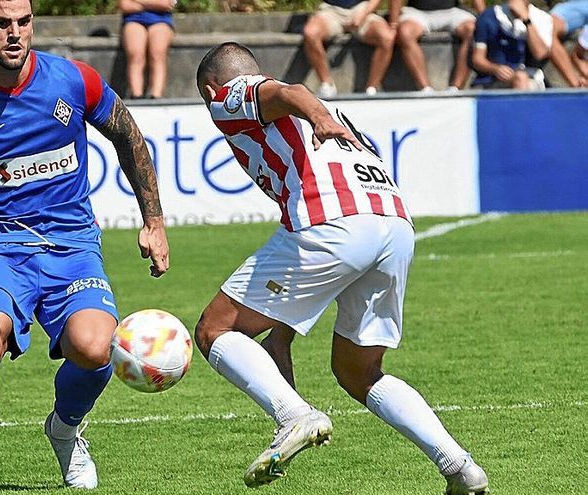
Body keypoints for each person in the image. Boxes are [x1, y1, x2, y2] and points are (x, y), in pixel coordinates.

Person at [194, 42, 488, 494]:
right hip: (391, 225)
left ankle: (295, 416)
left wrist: (317, 116)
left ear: (213, 88)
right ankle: (460, 468)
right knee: (359, 371)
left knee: (214, 330)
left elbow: (288, 90)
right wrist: (283, 332)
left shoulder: (229, 97)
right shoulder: (309, 120)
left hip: (331, 220)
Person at [0, 0, 170, 493]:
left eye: (23, 21)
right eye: (0, 23)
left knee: (96, 348)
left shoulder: (74, 80)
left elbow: (129, 136)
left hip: (73, 242)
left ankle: (64, 427)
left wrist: (154, 221)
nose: (14, 33)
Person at [301, 0, 397, 97]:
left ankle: (371, 89)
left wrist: (363, 15)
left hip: (362, 8)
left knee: (386, 38)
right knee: (310, 33)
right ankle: (327, 85)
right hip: (331, 10)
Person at [389, 0, 485, 91]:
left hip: (452, 11)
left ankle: (456, 89)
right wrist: (393, 25)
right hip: (416, 12)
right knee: (405, 33)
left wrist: (486, 20)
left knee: (473, 30)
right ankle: (425, 89)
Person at [471, 0, 554, 89]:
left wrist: (526, 20)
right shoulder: (489, 16)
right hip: (493, 80)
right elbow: (477, 59)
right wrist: (495, 69)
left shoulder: (543, 18)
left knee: (521, 78)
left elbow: (540, 53)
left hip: (529, 79)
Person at [118, 0, 176, 98]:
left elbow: (165, 4)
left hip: (161, 21)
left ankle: (156, 95)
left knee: (157, 54)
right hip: (133, 20)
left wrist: (137, 2)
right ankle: (136, 95)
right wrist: (153, 4)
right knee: (135, 55)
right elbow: (125, 5)